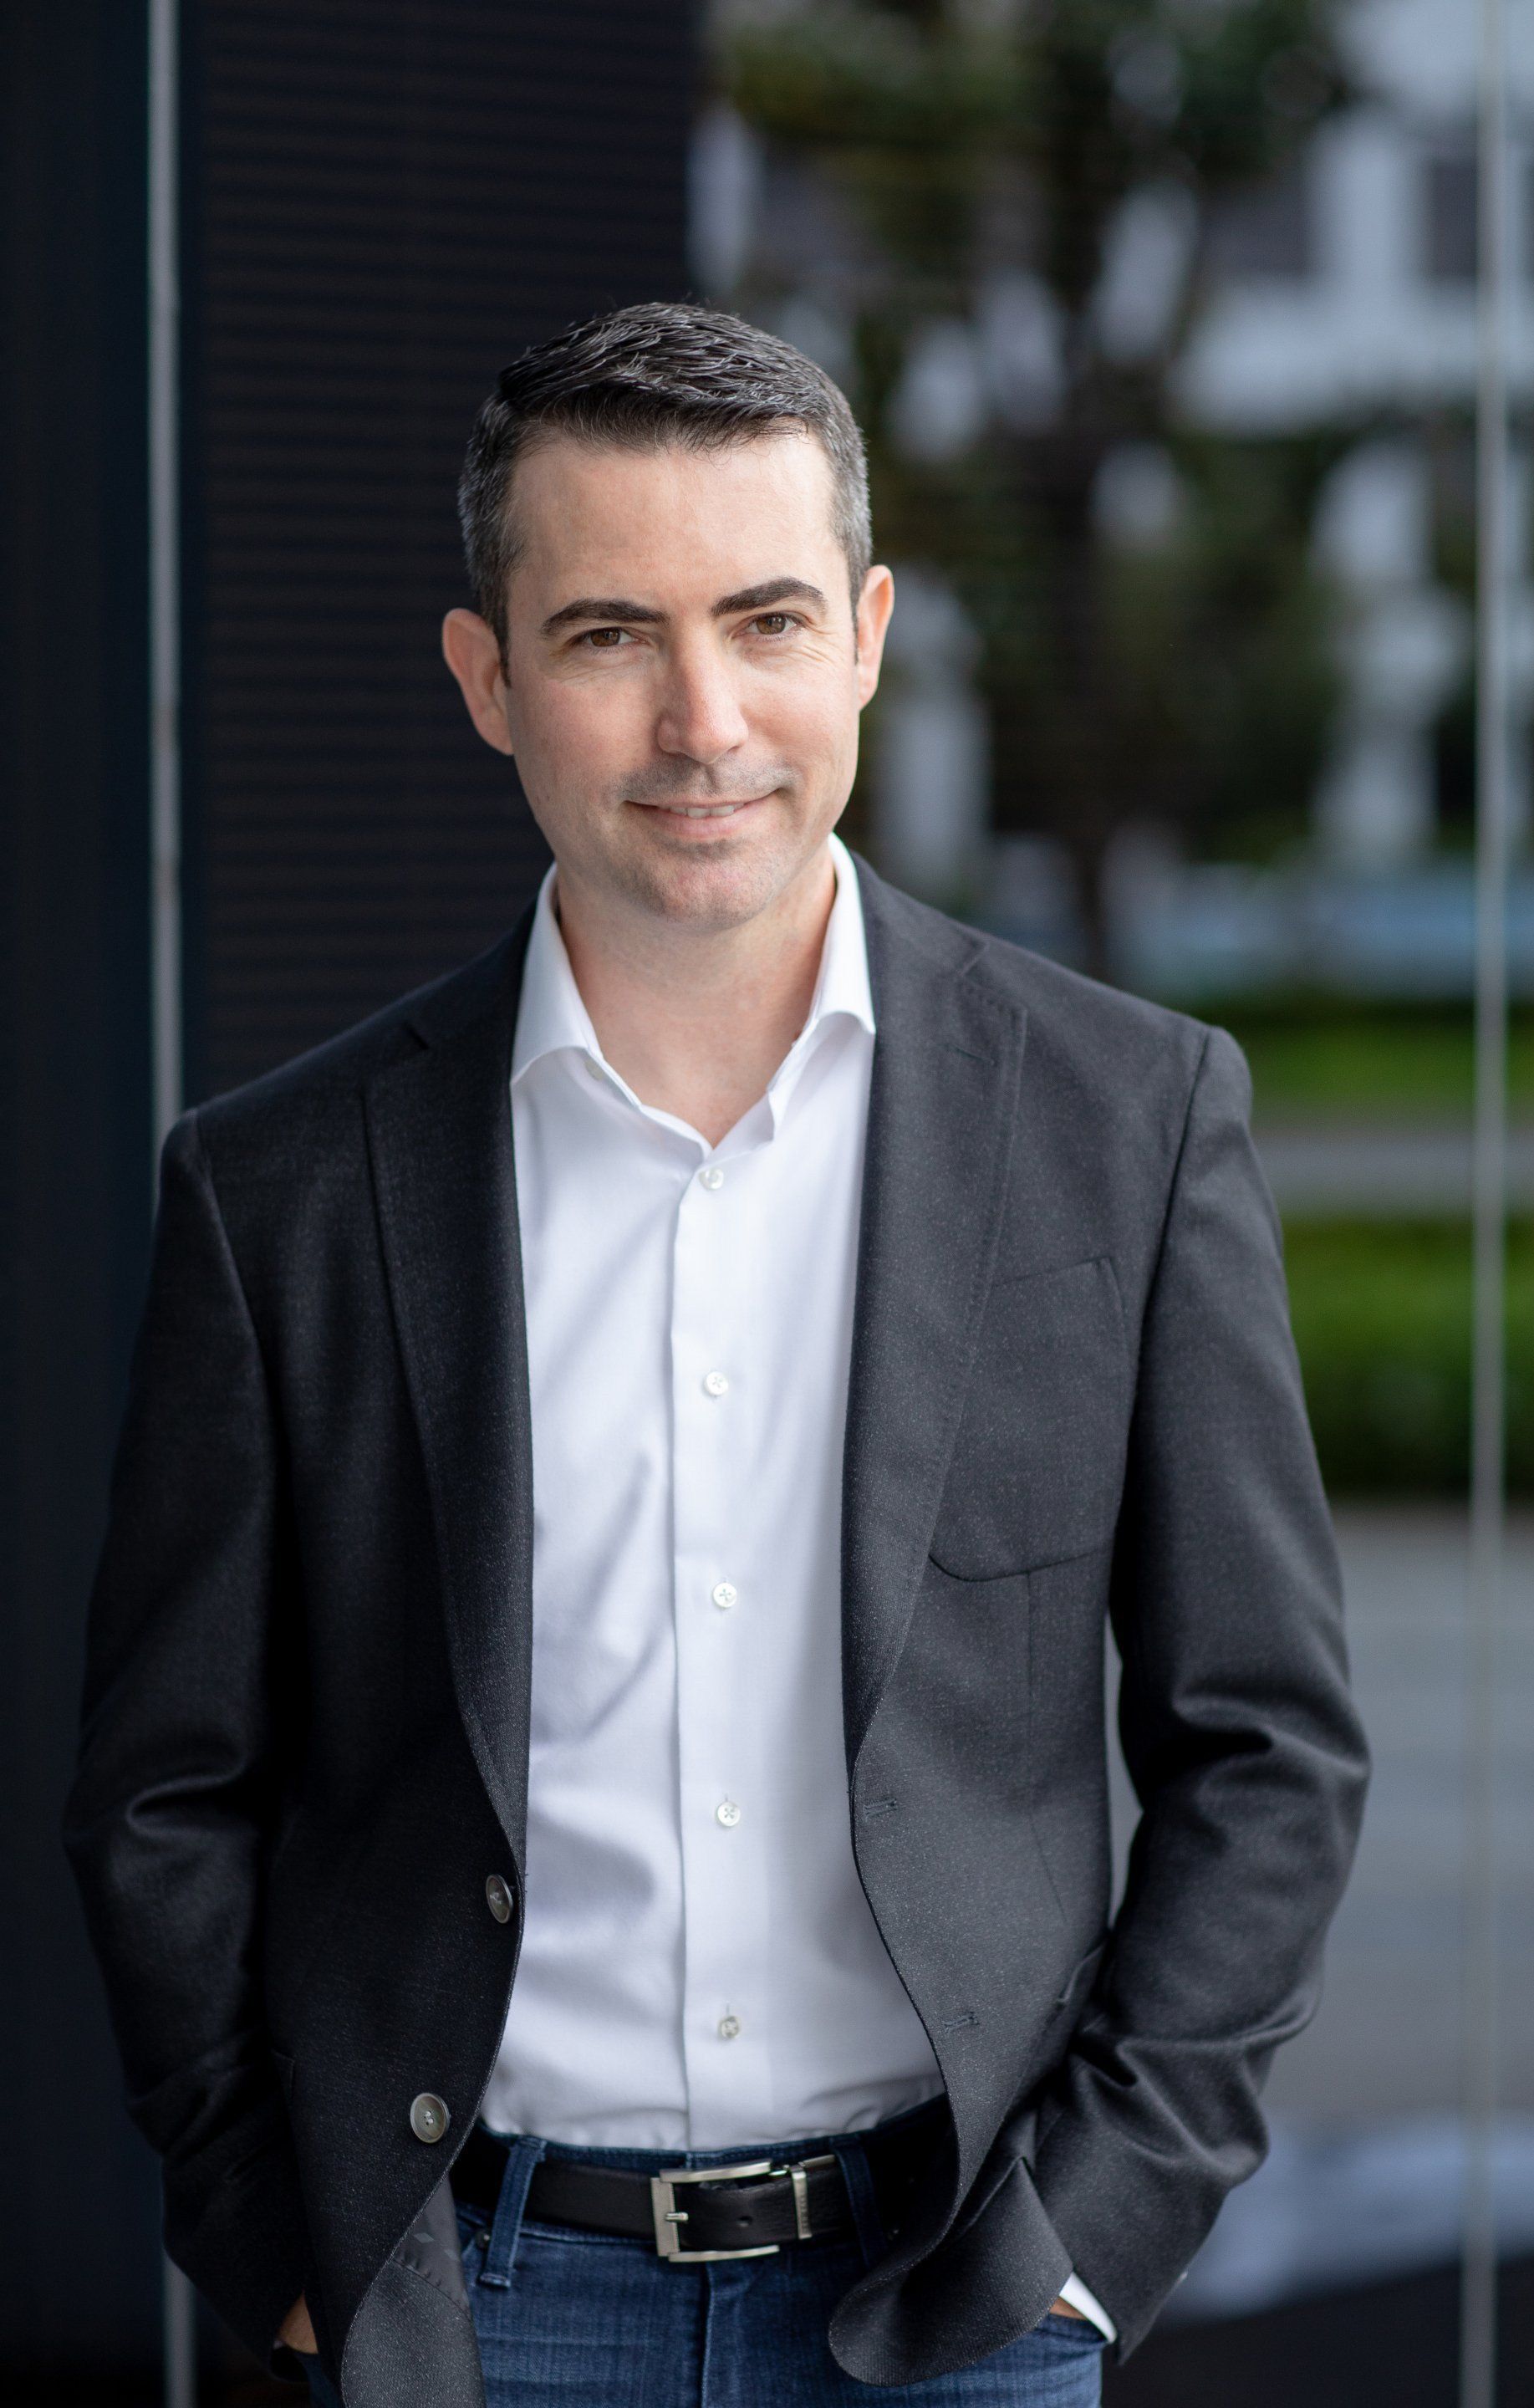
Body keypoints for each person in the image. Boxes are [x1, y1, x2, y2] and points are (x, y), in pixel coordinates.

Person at [66, 304, 1368, 2408]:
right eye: (605, 638)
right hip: (465, 2314)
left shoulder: (1130, 1125)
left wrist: (1094, 2236)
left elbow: (1270, 1750)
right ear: (488, 681)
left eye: (765, 620)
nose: (705, 720)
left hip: (958, 2305)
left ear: (865, 632)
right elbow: (162, 1792)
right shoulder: (281, 1187)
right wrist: (274, 2240)